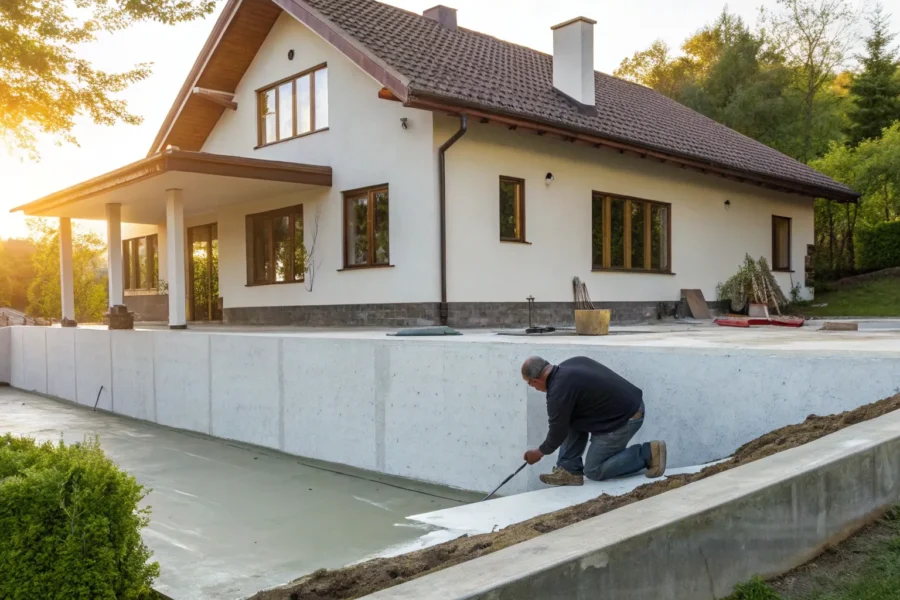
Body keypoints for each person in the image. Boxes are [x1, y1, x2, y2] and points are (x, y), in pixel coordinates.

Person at [521, 355, 666, 486]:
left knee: (594, 470)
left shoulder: (558, 391)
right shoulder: (570, 364)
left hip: (625, 418)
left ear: (535, 380)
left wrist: (539, 452)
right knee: (568, 418)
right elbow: (563, 423)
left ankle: (648, 453)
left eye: (530, 384)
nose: (533, 387)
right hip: (628, 405)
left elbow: (557, 432)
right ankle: (569, 470)